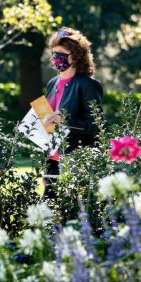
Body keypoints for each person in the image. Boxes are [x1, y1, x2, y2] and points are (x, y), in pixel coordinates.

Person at [43, 28, 103, 188]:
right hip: (51, 158)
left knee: (74, 209)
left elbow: (96, 126)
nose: (56, 58)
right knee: (48, 208)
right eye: (54, 53)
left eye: (61, 54)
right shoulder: (52, 83)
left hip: (75, 158)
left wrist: (65, 120)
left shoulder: (88, 85)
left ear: (76, 57)